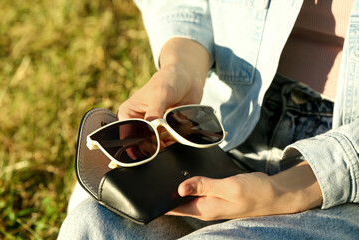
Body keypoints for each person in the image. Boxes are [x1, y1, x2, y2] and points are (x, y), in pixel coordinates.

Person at [58, 0, 359, 239]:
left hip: (342, 177)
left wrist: (294, 188)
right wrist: (182, 66)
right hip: (222, 128)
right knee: (92, 226)